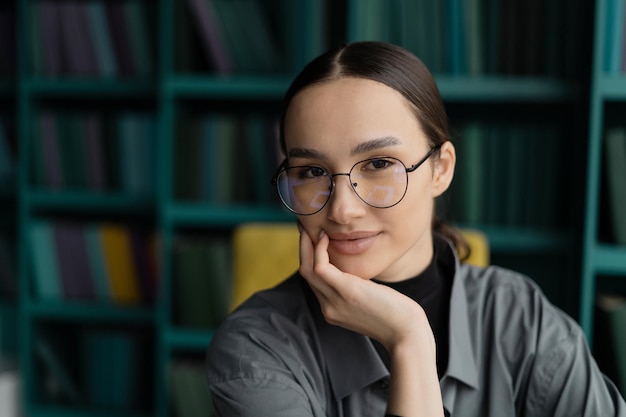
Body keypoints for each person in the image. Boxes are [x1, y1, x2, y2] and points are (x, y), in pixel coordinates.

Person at [206, 41, 626, 417]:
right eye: (312, 171)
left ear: (441, 169)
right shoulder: (255, 347)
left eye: (378, 164)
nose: (343, 210)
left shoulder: (524, 320)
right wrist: (409, 339)